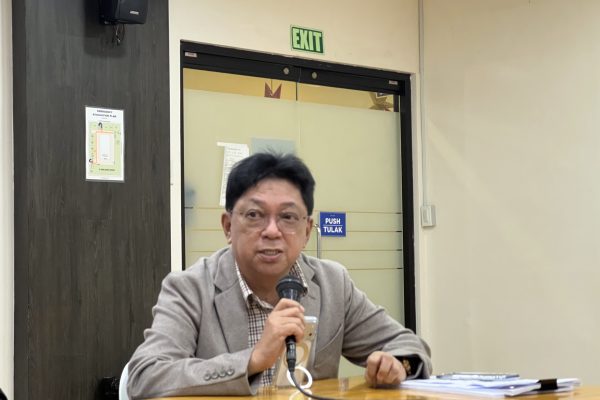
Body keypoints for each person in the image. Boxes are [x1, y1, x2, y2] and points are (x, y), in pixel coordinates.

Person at [127, 152, 432, 399]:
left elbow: (408, 346)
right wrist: (252, 360)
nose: (272, 231)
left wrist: (398, 365)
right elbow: (145, 376)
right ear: (228, 226)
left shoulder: (333, 284)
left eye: (287, 217)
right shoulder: (189, 288)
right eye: (254, 215)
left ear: (307, 230)